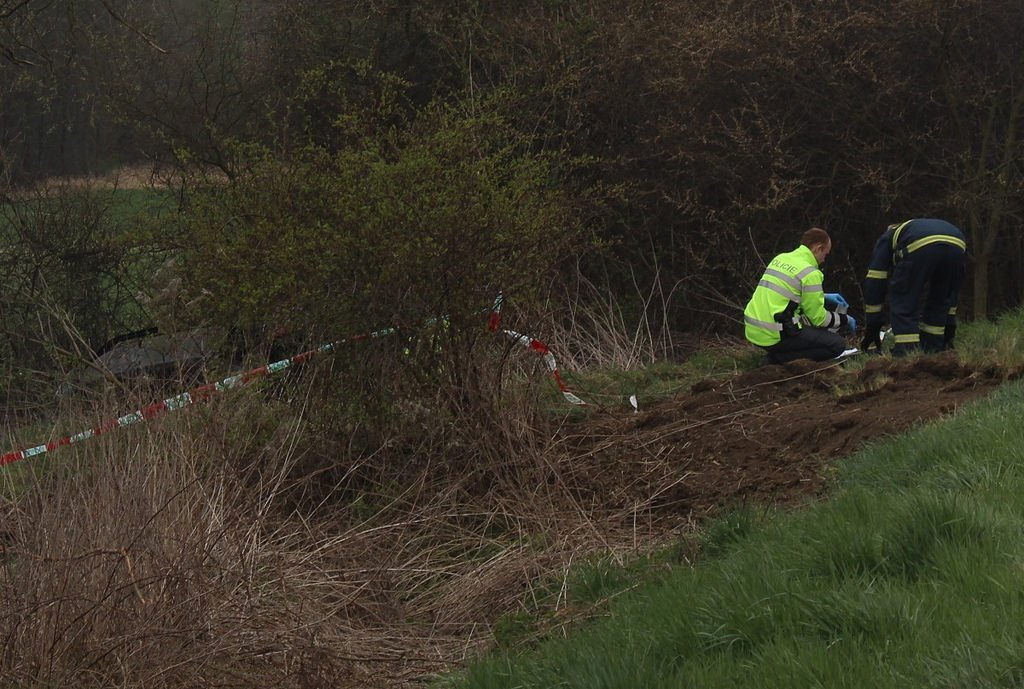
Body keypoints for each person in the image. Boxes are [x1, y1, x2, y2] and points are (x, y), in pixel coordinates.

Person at [744, 227, 856, 364]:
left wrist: (824, 296)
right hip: (774, 334)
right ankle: (775, 360)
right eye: (825, 254)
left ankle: (778, 353)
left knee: (803, 326)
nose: (824, 260)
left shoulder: (781, 258)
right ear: (818, 249)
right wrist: (846, 319)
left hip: (752, 329)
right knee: (837, 345)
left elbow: (784, 292)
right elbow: (819, 319)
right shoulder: (811, 273)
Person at [860, 218, 967, 356]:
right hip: (958, 244)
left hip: (919, 244)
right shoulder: (919, 228)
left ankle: (907, 355)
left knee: (903, 301)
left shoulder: (888, 237)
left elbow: (875, 280)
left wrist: (872, 326)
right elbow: (952, 291)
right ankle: (933, 351)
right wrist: (950, 327)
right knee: (940, 299)